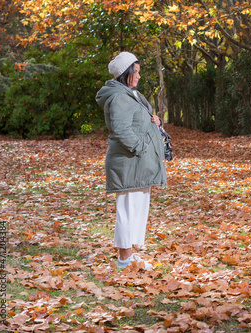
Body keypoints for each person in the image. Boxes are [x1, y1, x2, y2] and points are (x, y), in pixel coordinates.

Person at [96, 51, 167, 269]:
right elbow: (121, 130)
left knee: (136, 209)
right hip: (129, 161)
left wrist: (153, 121)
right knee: (127, 210)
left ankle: (128, 256)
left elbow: (136, 121)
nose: (138, 76)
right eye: (135, 72)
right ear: (125, 72)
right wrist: (141, 146)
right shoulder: (118, 96)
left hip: (138, 162)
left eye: (138, 72)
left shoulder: (130, 94)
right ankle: (124, 260)